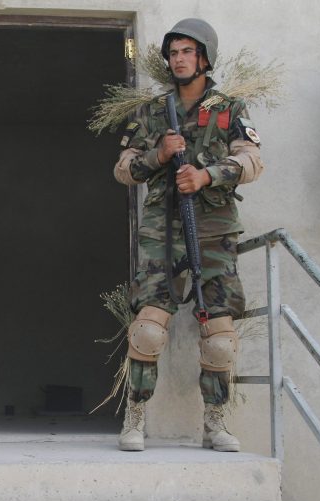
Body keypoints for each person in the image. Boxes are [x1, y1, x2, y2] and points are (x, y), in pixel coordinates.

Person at [113, 18, 264, 452]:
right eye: (173, 52)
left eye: (187, 52)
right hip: (162, 229)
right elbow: (123, 169)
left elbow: (252, 161)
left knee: (219, 337)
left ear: (204, 57)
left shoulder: (229, 108)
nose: (179, 59)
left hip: (214, 229)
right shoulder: (151, 112)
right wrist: (157, 155)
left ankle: (215, 424)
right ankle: (135, 418)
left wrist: (207, 176)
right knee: (147, 331)